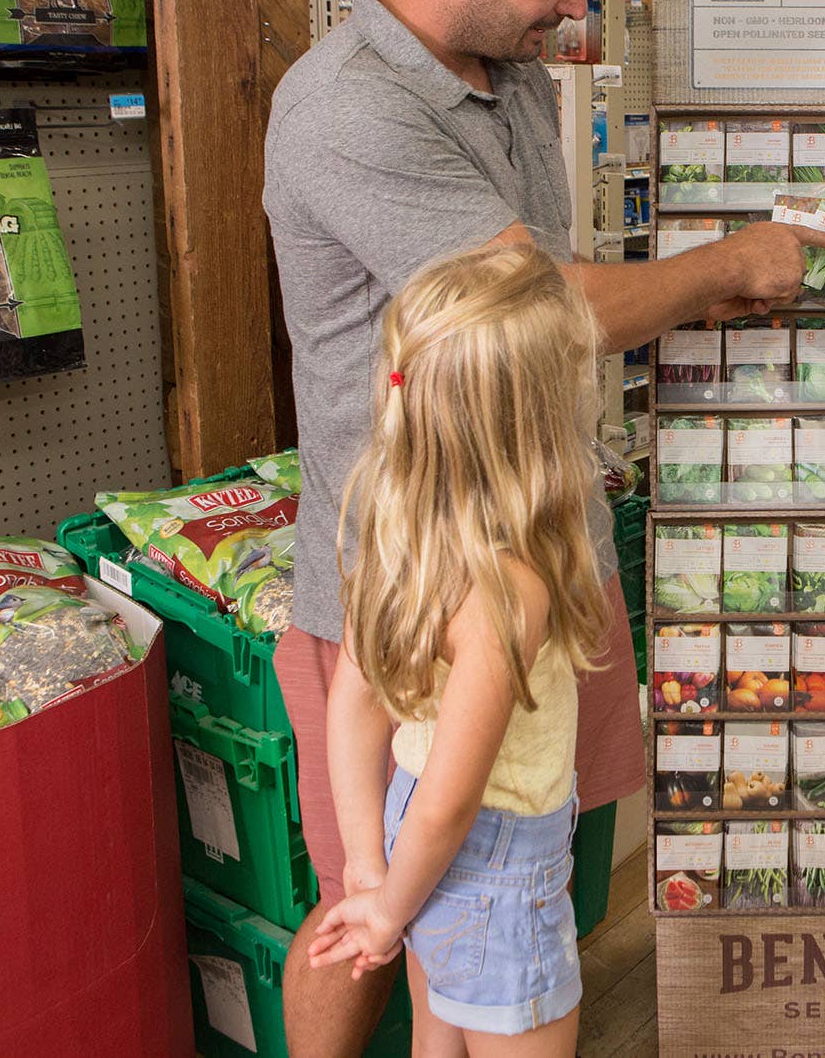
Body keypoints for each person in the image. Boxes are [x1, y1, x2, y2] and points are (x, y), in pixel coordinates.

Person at [263, 0, 825, 1055]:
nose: (572, 11)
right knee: (370, 904)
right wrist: (726, 264)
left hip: (534, 538)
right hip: (402, 567)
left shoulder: (508, 74)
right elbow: (542, 302)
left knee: (505, 861)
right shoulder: (344, 107)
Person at [309, 245, 603, 1054]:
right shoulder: (510, 592)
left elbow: (355, 703)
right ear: (537, 424)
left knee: (436, 1039)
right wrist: (389, 906)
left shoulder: (398, 541)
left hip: (410, 840)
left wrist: (372, 871)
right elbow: (455, 799)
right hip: (495, 869)